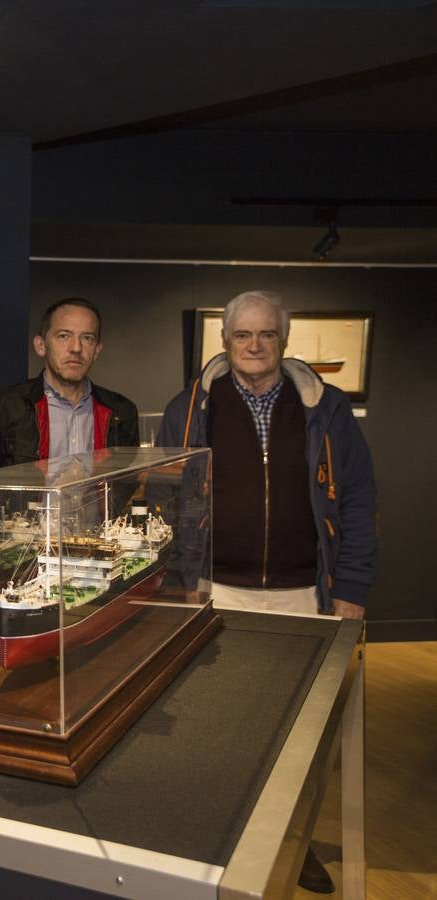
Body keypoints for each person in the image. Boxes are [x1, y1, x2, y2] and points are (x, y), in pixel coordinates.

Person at [157, 290, 376, 893]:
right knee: (215, 725)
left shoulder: (326, 408)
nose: (254, 346)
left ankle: (292, 842)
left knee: (297, 733)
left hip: (304, 594)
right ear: (224, 340)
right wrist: (174, 586)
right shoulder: (189, 407)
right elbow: (165, 500)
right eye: (242, 335)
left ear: (283, 340)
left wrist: (352, 587)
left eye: (266, 335)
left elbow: (358, 501)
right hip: (214, 592)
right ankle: (220, 839)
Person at [0, 297, 138, 471]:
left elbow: (126, 481)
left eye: (87, 338)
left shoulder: (121, 412)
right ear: (41, 346)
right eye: (64, 336)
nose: (76, 348)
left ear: (97, 350)